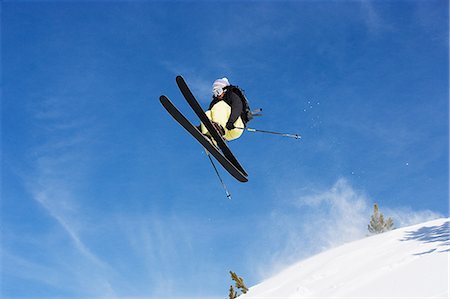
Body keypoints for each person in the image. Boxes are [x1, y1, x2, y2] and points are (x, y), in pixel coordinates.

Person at [200, 77, 246, 142]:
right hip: (225, 134)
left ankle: (219, 128)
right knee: (207, 113)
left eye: (218, 91)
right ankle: (210, 137)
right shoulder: (215, 102)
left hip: (234, 127)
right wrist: (201, 127)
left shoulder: (231, 96)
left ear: (225, 89)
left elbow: (237, 108)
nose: (217, 95)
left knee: (220, 104)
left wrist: (231, 121)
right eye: (215, 93)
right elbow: (208, 117)